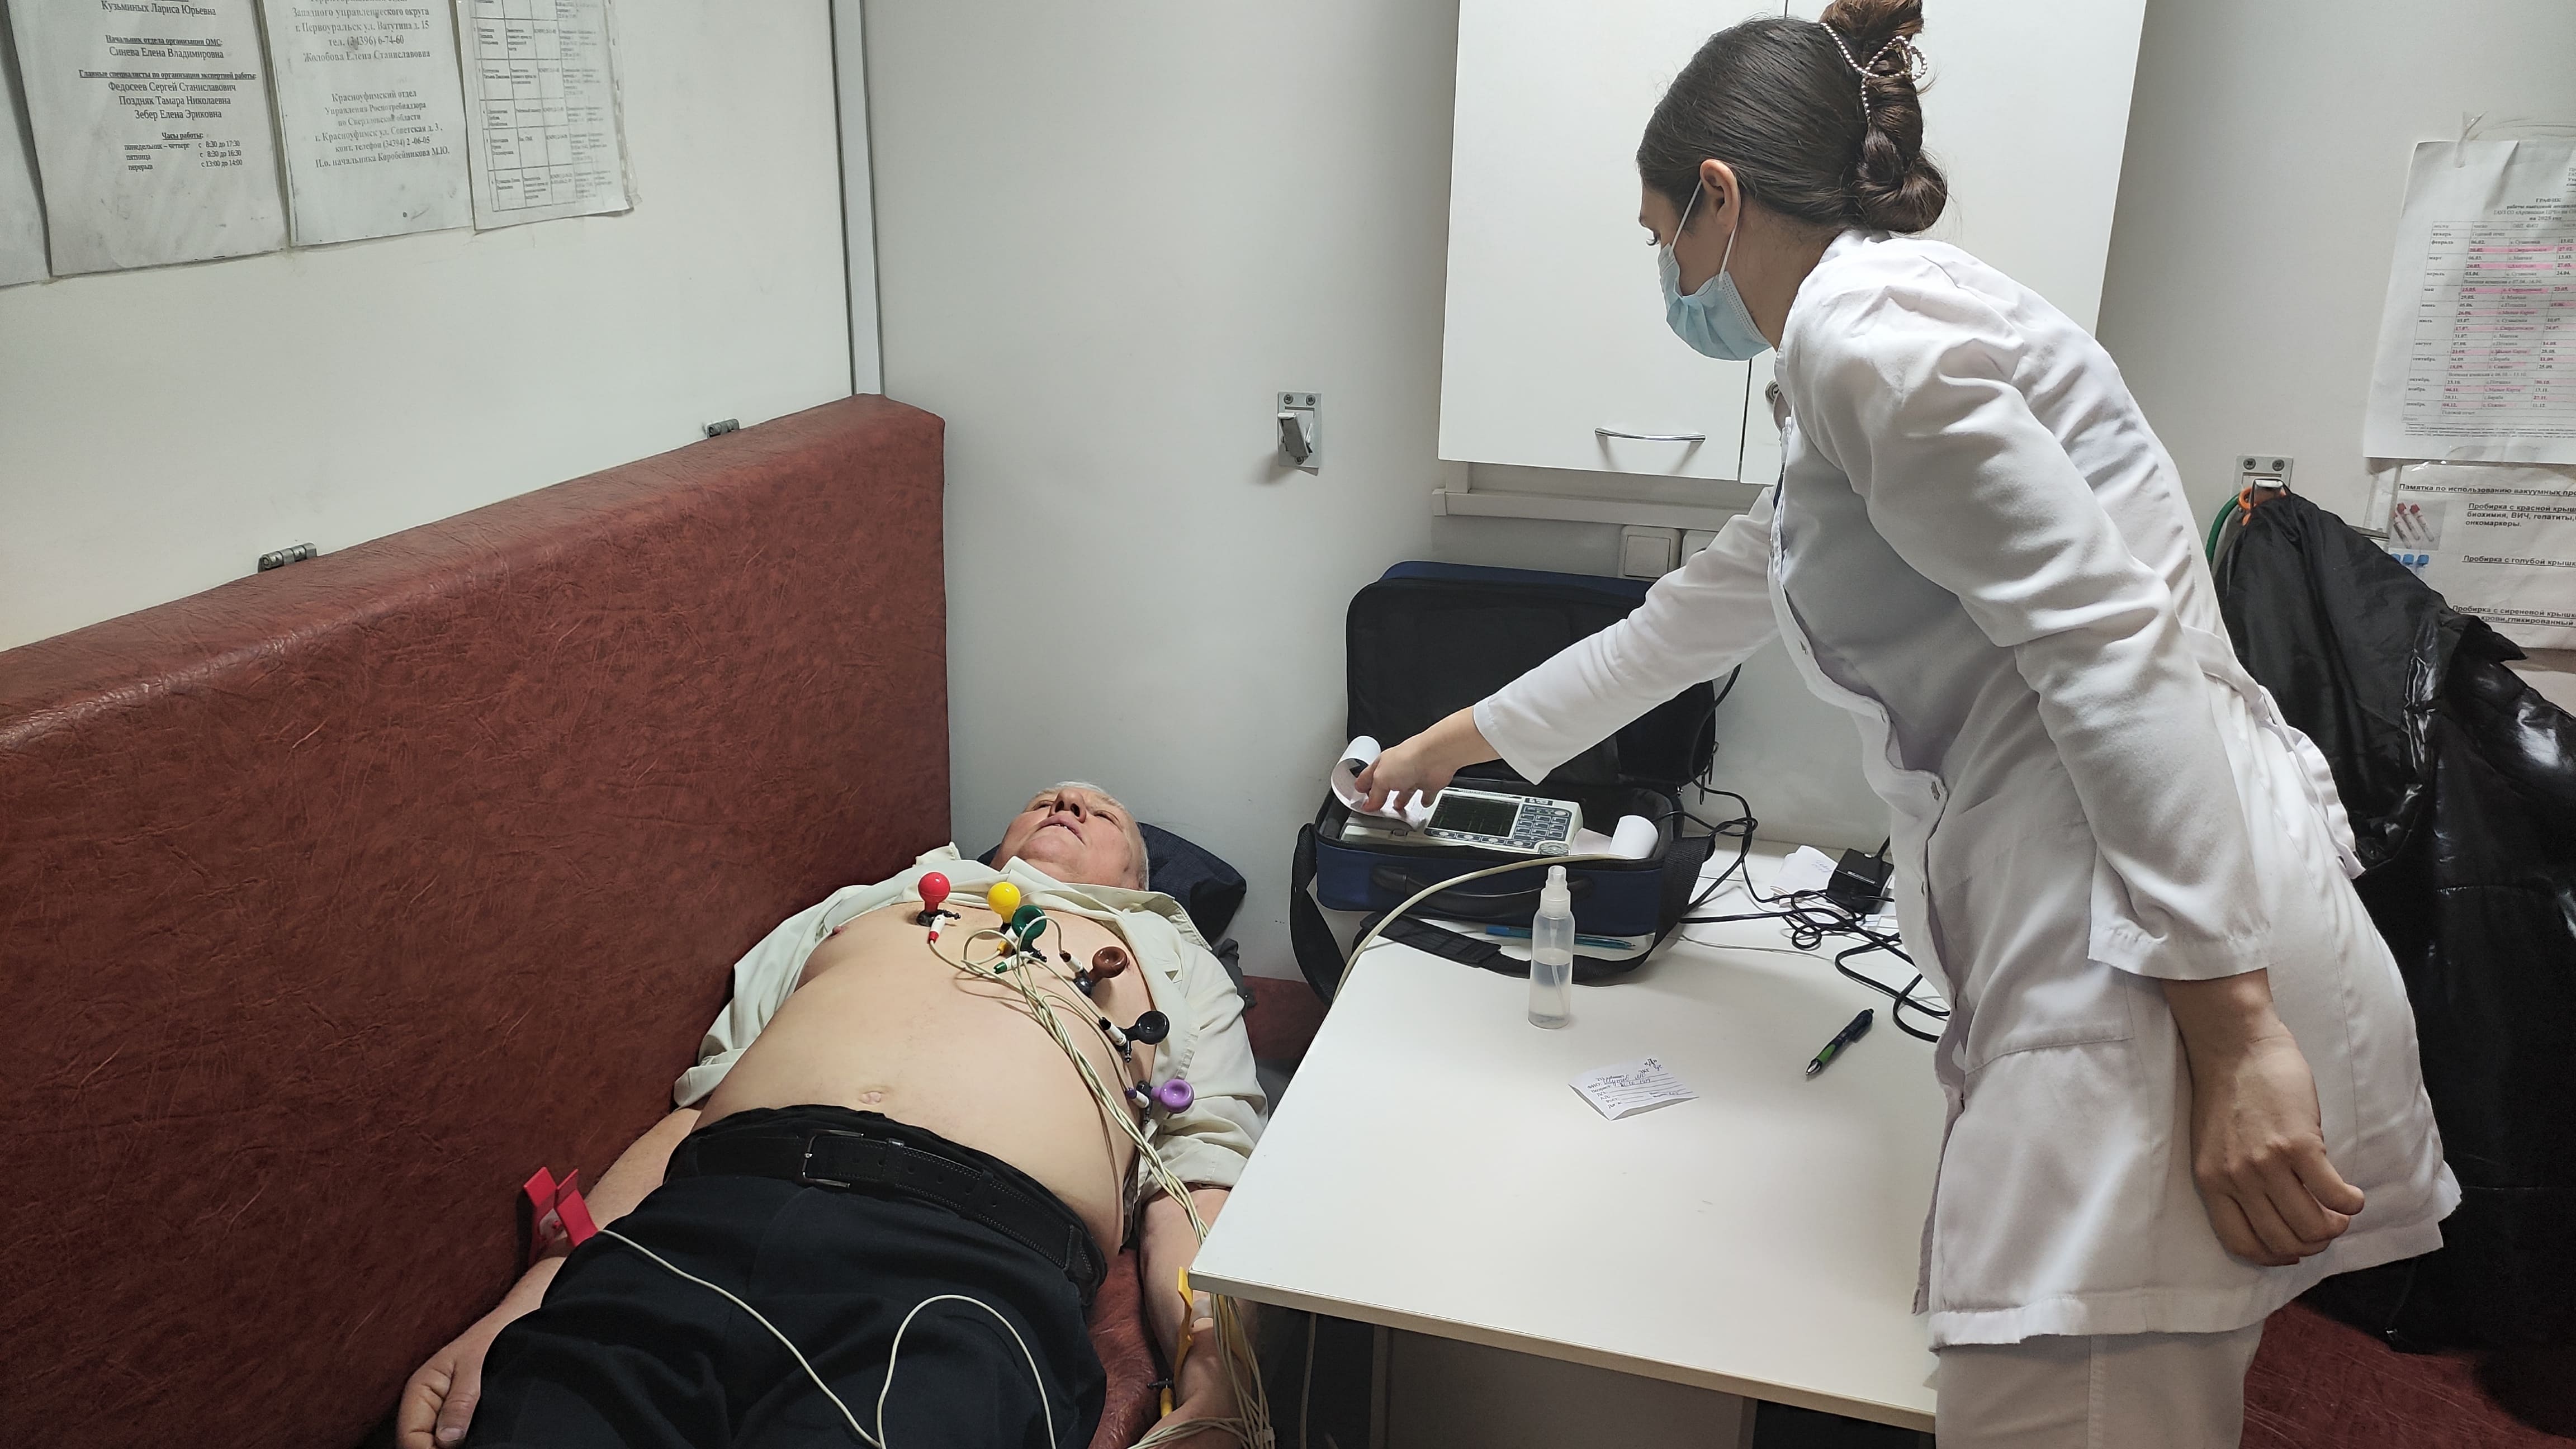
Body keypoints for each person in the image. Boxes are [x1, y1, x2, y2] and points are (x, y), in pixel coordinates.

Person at [1356, 3, 2455, 1445]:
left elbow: (2105, 645)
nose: (1668, 274)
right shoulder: (1870, 352)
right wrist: (1450, 744)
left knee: (2070, 1407)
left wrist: (2236, 1031)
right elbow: (1687, 621)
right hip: (2135, 914)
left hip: (2147, 949)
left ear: (1720, 198)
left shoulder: (1867, 345)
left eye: (1660, 235)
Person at [396, 784, 1263, 1449]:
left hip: (962, 1268)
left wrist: (1218, 1382)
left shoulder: (1171, 958)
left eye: (1102, 814)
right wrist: (528, 1300)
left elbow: (1197, 1185)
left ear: (1140, 880)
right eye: (1045, 798)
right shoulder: (864, 905)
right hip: (698, 1224)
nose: (1067, 803)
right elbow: (698, 1105)